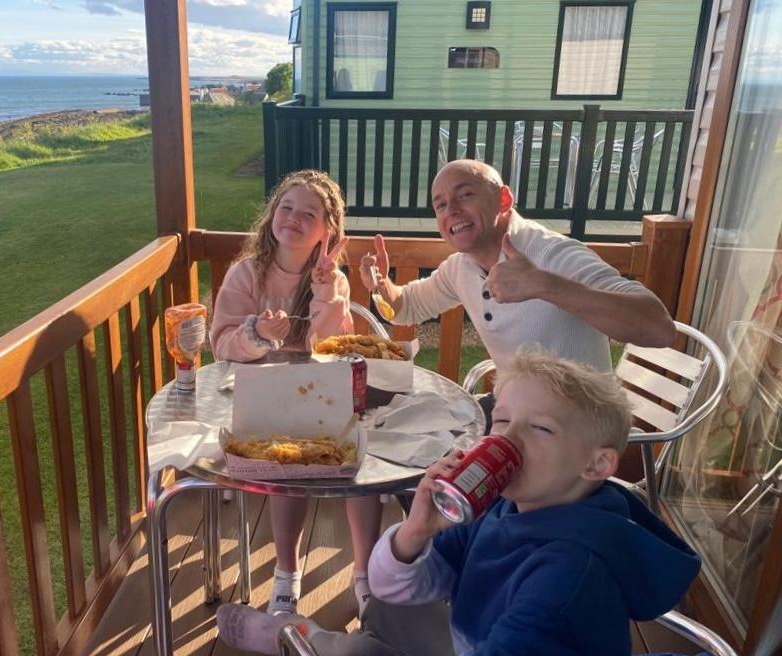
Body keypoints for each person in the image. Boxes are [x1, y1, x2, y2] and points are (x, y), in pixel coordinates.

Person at [215, 349, 701, 656]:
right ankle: (319, 639)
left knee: (357, 649)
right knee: (387, 603)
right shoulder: (507, 504)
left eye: (541, 428)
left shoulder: (567, 579)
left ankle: (297, 637)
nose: (508, 441)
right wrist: (415, 532)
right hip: (469, 633)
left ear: (596, 465)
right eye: (503, 421)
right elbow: (396, 584)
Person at [210, 169, 381, 617]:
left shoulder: (335, 279)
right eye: (286, 208)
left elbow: (327, 349)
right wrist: (256, 334)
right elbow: (221, 343)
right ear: (271, 216)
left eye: (309, 213)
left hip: (322, 392)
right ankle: (287, 574)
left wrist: (325, 291)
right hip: (262, 396)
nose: (294, 218)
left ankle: (363, 575)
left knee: (360, 462)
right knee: (289, 466)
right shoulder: (246, 274)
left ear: (328, 231)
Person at [361, 159, 676, 377]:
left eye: (466, 194)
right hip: (516, 417)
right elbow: (407, 307)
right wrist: (381, 284)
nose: (451, 210)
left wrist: (544, 285)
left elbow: (659, 327)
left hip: (577, 433)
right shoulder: (462, 267)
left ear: (503, 199)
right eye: (440, 204)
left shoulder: (554, 254)